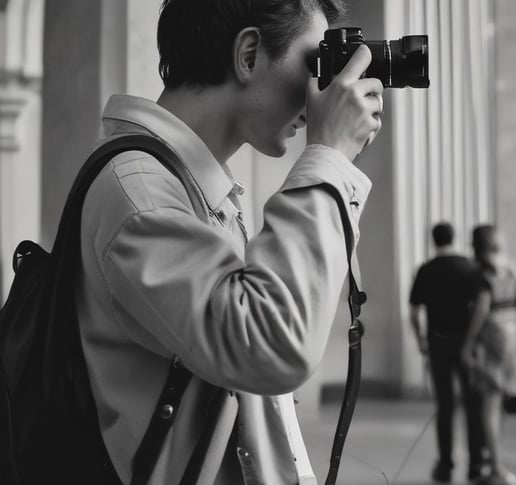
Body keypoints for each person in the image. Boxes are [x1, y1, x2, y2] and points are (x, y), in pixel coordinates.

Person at [75, 0, 385, 483]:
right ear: (248, 55)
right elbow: (272, 343)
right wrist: (329, 157)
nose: (317, 91)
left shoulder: (187, 183)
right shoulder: (142, 196)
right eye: (312, 63)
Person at [409, 222, 488, 483]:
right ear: (455, 239)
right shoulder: (470, 268)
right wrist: (473, 340)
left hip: (438, 343)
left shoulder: (426, 269)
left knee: (445, 406)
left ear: (434, 240)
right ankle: (476, 464)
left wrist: (420, 339)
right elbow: (481, 306)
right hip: (467, 344)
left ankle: (445, 465)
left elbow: (414, 310)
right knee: (473, 404)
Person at [462, 225, 516, 485]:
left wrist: (467, 344)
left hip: (491, 338)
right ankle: (497, 465)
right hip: (512, 335)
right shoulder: (511, 268)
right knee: (498, 407)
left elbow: (482, 308)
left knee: (488, 409)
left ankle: (497, 469)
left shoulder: (484, 272)